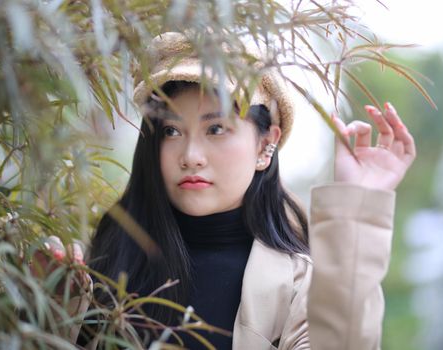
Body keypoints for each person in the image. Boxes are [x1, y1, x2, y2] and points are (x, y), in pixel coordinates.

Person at [36, 32, 416, 350]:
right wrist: (46, 310)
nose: (191, 156)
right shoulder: (95, 272)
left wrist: (355, 208)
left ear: (266, 144)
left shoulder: (300, 289)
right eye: (170, 131)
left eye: (216, 128)